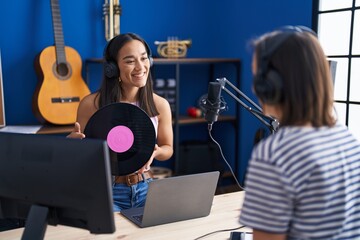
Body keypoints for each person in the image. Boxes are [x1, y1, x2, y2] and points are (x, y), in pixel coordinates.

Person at [239, 26, 360, 239]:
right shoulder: (346, 139)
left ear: (271, 86)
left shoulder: (275, 153)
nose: (254, 87)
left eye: (258, 77)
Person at [67, 33, 173, 212]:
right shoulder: (90, 105)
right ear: (112, 68)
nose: (140, 67)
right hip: (106, 190)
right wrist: (71, 146)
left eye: (144, 58)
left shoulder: (160, 105)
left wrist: (157, 152)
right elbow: (82, 157)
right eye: (130, 61)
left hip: (146, 188)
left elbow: (168, 148)